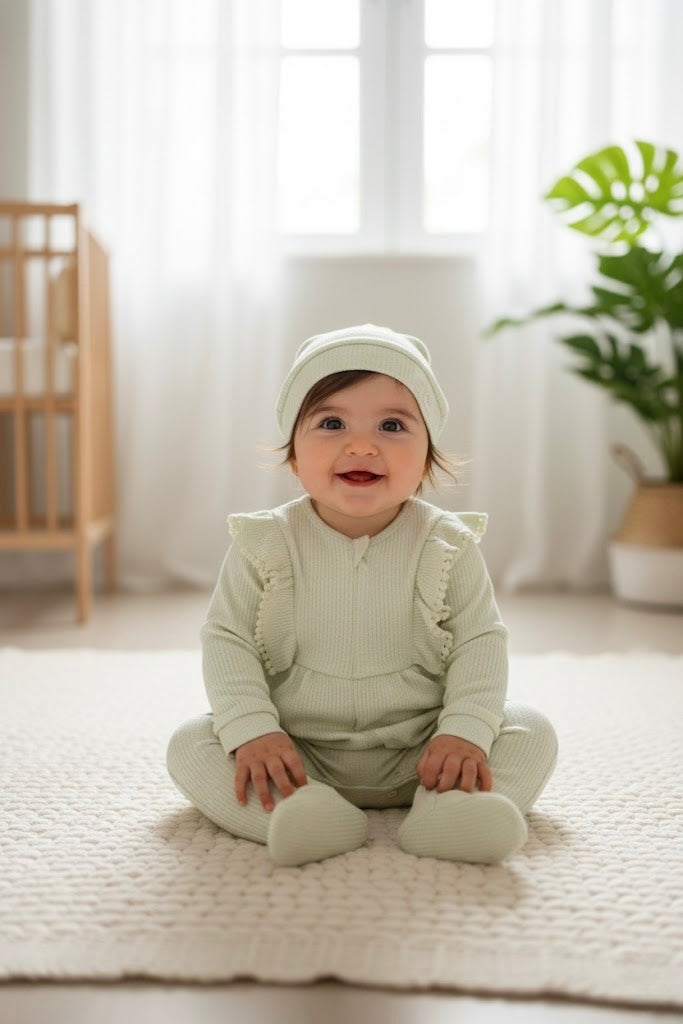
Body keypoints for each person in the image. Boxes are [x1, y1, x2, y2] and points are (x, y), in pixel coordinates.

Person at [167, 324, 558, 867]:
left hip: (426, 751)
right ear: (294, 456)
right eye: (331, 423)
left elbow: (480, 643)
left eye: (392, 425)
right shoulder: (264, 543)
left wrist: (464, 733)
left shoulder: (447, 544)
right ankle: (301, 813)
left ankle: (450, 811)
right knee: (191, 744)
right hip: (296, 754)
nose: (361, 445)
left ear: (427, 458)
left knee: (531, 730)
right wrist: (254, 731)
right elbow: (227, 640)